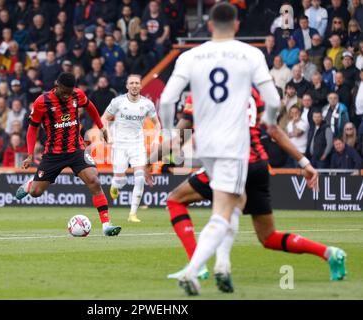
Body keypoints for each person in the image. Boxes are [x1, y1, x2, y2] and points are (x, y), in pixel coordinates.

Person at [158, 89, 345, 292]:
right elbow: (274, 132)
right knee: (268, 237)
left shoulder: (204, 89)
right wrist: (304, 162)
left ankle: (199, 266)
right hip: (258, 167)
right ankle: (329, 253)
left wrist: (145, 160)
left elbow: (179, 137)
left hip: (230, 163)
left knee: (180, 201)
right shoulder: (252, 92)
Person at [158, 3, 281, 296]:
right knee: (225, 209)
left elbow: (165, 99)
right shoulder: (251, 53)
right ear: (237, 25)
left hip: (205, 144)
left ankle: (223, 265)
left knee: (236, 201)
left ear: (210, 26)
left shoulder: (190, 55)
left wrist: (168, 135)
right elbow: (273, 100)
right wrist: (271, 122)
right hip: (234, 145)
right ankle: (193, 270)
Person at [15, 72, 121, 237]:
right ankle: (31, 183)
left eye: (69, 93)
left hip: (76, 149)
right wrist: (30, 154)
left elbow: (91, 107)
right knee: (36, 193)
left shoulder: (77, 95)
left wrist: (101, 127)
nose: (67, 96)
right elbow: (32, 127)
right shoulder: (42, 102)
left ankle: (106, 225)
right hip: (53, 153)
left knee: (94, 180)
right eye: (64, 92)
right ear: (56, 85)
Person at [101, 74, 160, 222]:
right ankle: (115, 185)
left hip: (137, 145)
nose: (134, 85)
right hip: (120, 145)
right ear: (127, 86)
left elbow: (157, 123)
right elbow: (104, 118)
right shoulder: (117, 102)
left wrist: (155, 139)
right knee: (120, 180)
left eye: (137, 83)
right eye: (131, 83)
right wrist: (107, 133)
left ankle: (132, 214)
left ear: (140, 86)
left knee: (139, 178)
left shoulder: (147, 104)